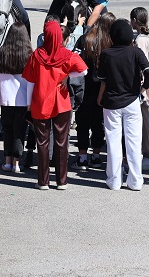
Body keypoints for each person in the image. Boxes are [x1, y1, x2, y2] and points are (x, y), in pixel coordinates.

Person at [22, 21, 88, 190]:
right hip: (62, 103)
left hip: (40, 102)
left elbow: (29, 82)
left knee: (42, 143)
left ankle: (43, 181)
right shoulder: (67, 54)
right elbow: (83, 71)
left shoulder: (37, 55)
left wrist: (28, 105)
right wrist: (68, 76)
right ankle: (61, 181)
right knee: (61, 141)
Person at [97, 19, 149, 191]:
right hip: (132, 102)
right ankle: (135, 181)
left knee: (113, 141)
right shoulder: (135, 52)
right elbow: (148, 70)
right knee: (134, 141)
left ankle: (114, 180)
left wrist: (100, 97)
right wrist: (143, 88)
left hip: (111, 102)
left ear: (112, 36)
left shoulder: (106, 54)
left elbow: (103, 80)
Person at [71, 12, 115, 171]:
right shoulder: (112, 42)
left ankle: (82, 157)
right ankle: (96, 156)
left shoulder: (86, 39)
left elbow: (74, 60)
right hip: (104, 90)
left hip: (85, 87)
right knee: (99, 123)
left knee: (82, 122)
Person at [0, 22, 32, 173]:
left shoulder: (1, 52)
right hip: (22, 99)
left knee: (7, 130)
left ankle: (7, 161)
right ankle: (17, 163)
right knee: (20, 131)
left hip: (5, 98)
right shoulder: (29, 54)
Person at [130, 7, 149, 171]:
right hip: (147, 83)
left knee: (144, 121)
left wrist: (141, 86)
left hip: (142, 85)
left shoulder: (140, 40)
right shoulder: (147, 37)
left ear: (135, 20)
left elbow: (141, 65)